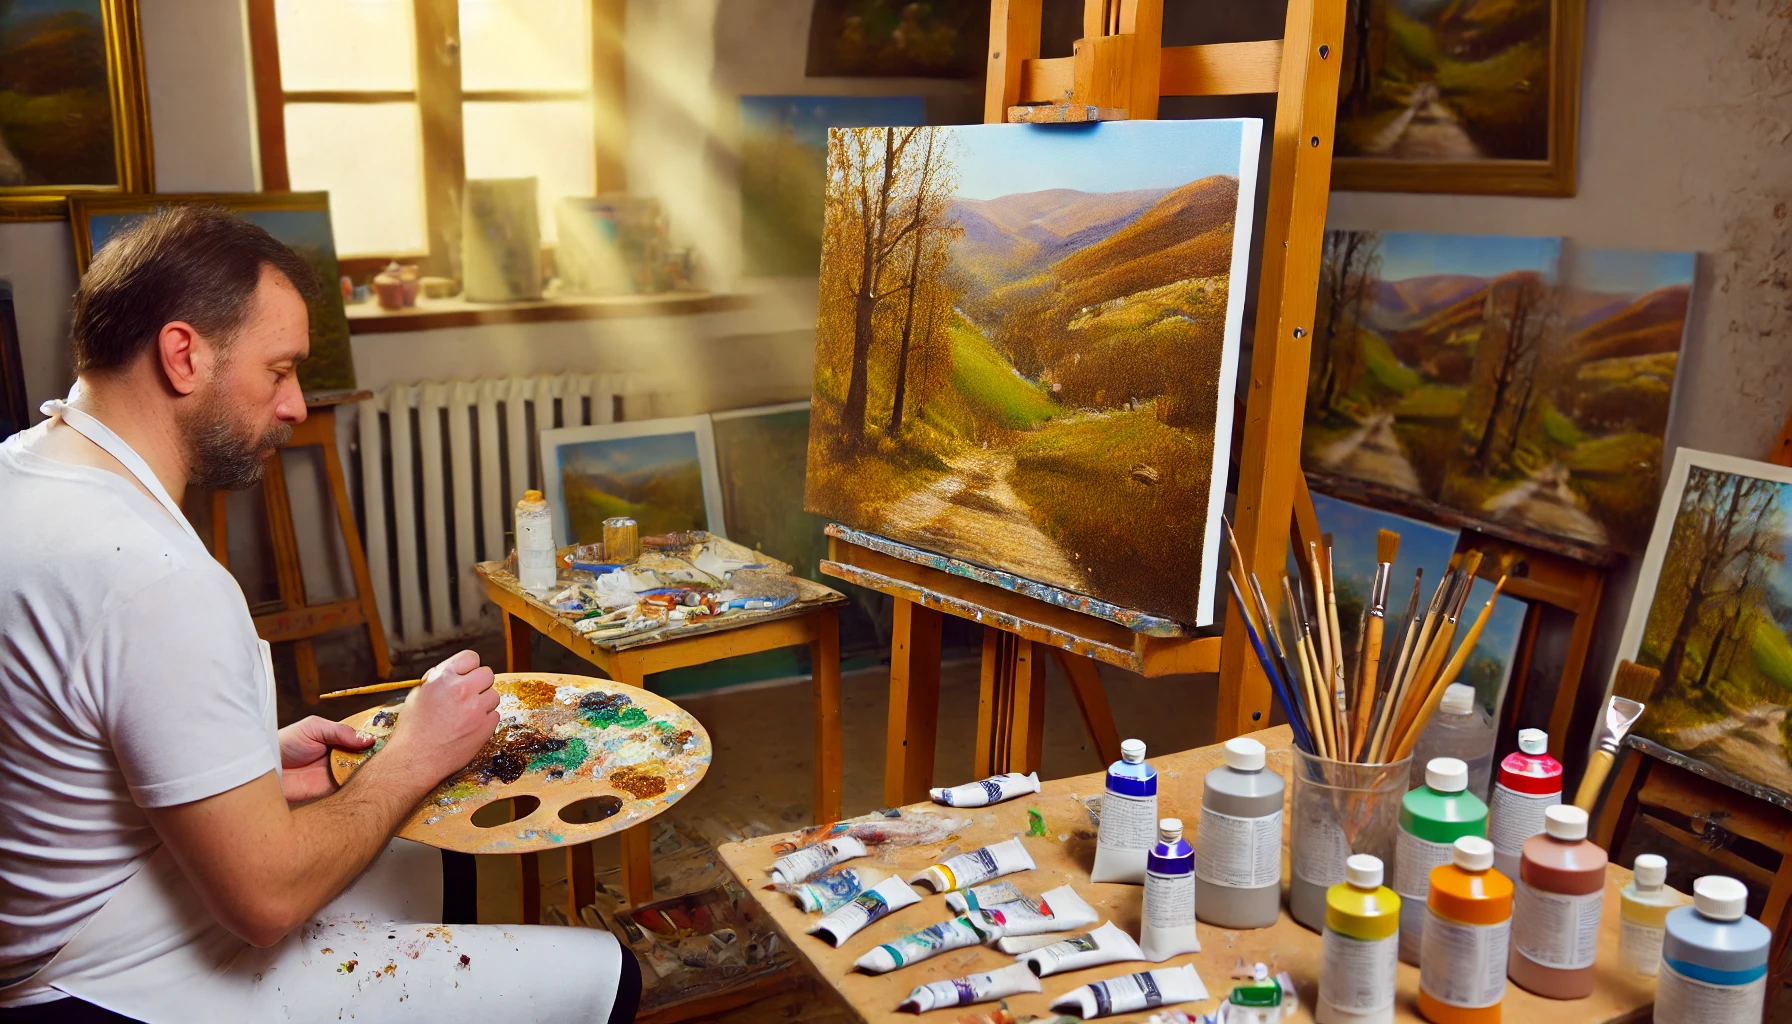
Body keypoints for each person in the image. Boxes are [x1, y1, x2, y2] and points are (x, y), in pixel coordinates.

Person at [0, 207, 639, 1022]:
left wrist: (250, 765)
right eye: (279, 370)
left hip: (54, 923)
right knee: (608, 978)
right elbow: (265, 902)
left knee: (431, 861)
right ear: (182, 353)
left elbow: (65, 753)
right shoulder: (154, 580)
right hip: (102, 979)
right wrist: (415, 753)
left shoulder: (23, 472)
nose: (297, 404)